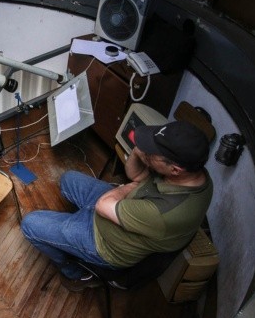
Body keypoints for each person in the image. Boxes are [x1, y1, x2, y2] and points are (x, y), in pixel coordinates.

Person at [21, 120, 212, 291]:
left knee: (29, 225)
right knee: (68, 180)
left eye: (153, 154)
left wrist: (129, 187)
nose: (147, 153)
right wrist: (140, 152)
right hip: (122, 207)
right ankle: (73, 229)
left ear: (175, 169)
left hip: (106, 244)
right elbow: (136, 176)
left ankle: (76, 273)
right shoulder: (197, 176)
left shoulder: (165, 213)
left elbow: (104, 204)